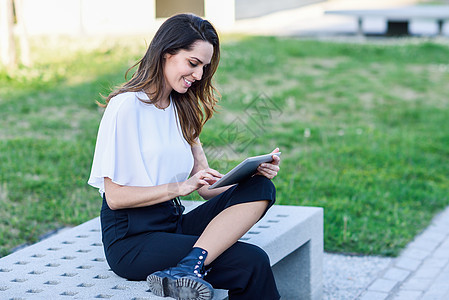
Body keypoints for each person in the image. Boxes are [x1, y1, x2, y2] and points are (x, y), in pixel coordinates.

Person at [88, 13, 281, 300]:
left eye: (204, 67)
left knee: (261, 187)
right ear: (166, 54)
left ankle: (189, 265)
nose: (200, 75)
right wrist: (182, 187)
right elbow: (115, 197)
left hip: (172, 222)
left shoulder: (181, 108)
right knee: (251, 261)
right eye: (193, 63)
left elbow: (204, 188)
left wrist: (248, 174)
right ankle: (190, 265)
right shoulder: (126, 107)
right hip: (132, 240)